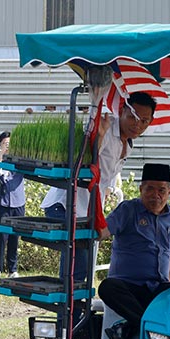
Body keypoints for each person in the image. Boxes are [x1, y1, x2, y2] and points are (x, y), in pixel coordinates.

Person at [40, 91, 156, 283]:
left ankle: (74, 311)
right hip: (66, 205)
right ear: (122, 110)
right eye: (133, 117)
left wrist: (107, 192)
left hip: (88, 211)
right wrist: (99, 136)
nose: (138, 124)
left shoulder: (128, 143)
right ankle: (68, 313)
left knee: (81, 271)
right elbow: (82, 162)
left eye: (145, 121)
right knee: (76, 269)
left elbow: (107, 176)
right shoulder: (106, 129)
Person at [97, 163, 170, 339]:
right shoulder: (127, 210)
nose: (156, 195)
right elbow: (103, 231)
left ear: (169, 192)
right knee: (107, 287)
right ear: (140, 189)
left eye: (161, 190)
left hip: (157, 288)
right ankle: (152, 328)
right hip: (128, 288)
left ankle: (131, 327)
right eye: (150, 189)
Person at [0, 131, 26, 279]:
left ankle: (13, 269)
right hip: (2, 203)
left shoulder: (18, 159)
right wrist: (2, 153)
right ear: (0, 144)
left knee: (14, 237)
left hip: (18, 202)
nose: (8, 146)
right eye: (5, 143)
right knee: (1, 236)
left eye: (10, 143)